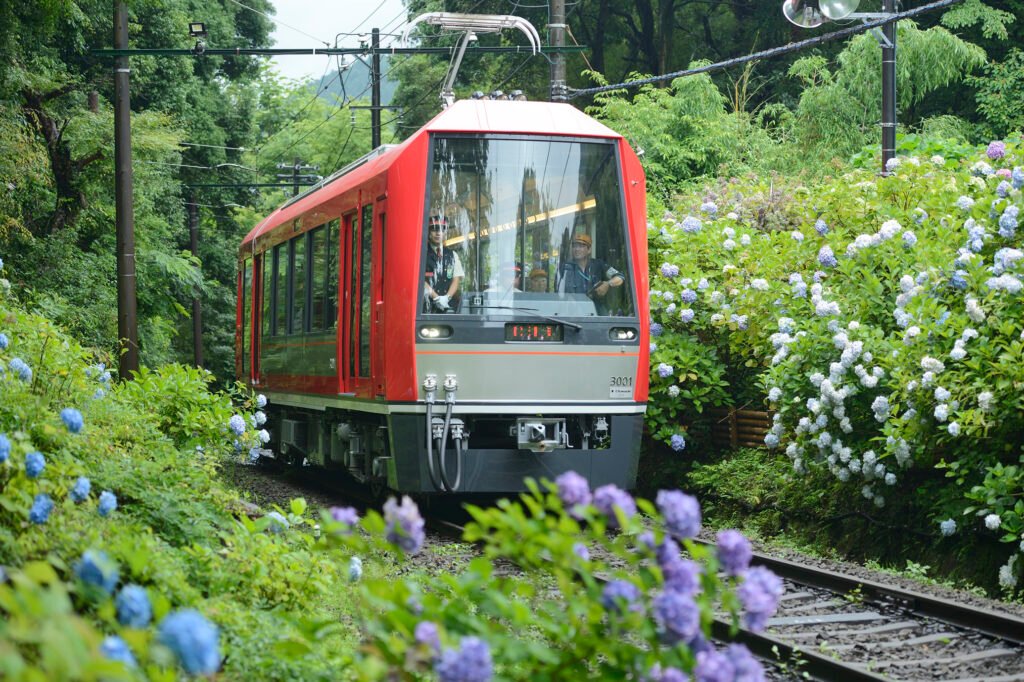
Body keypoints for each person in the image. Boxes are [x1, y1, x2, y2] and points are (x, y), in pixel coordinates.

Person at [557, 233, 625, 314]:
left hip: (596, 310)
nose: (577, 249)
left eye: (581, 246)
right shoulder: (565, 268)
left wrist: (608, 284)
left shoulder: (598, 265)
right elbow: (558, 293)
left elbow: (620, 277)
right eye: (574, 246)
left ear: (589, 250)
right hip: (573, 312)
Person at [423, 215, 463, 313]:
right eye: (434, 229)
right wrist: (436, 298)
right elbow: (419, 280)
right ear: (428, 232)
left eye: (441, 229)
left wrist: (446, 298)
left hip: (449, 306)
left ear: (445, 233)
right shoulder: (421, 253)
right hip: (427, 306)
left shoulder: (453, 255)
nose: (438, 233)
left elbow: (456, 279)